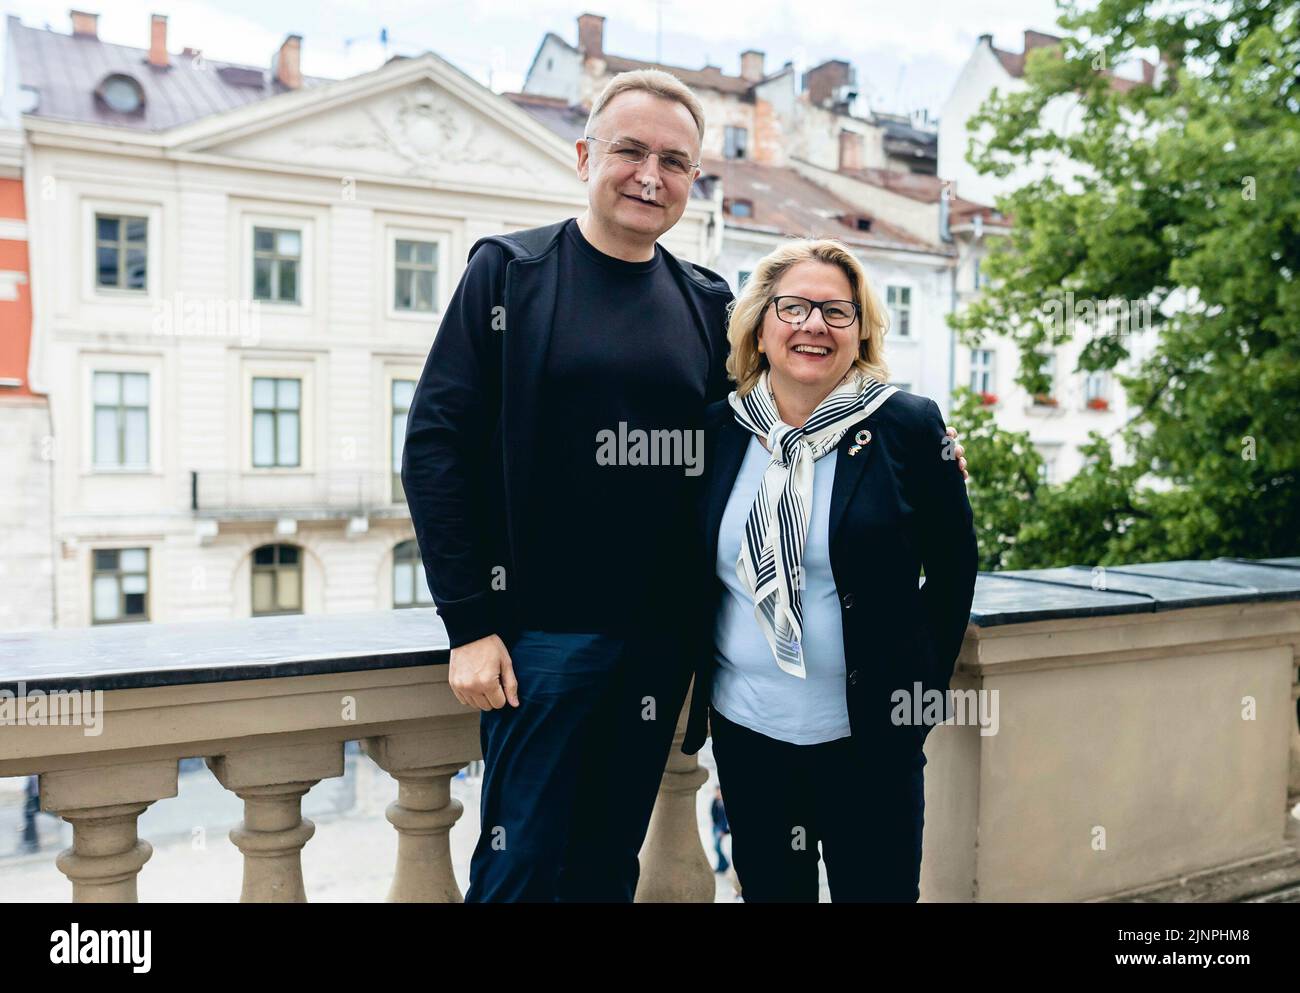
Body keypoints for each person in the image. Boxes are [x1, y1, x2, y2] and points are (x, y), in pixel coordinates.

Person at [403, 68, 971, 903]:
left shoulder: (703, 300)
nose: (650, 175)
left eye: (674, 161)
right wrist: (469, 622)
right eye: (629, 151)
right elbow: (435, 448)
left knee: (605, 862)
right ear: (583, 155)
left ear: (693, 179)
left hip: (661, 646)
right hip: (542, 641)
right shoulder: (510, 274)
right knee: (519, 863)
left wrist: (921, 445)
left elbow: (772, 424)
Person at [681, 239, 979, 902]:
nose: (815, 324)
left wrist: (917, 700)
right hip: (749, 735)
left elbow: (955, 569)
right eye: (795, 307)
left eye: (837, 312)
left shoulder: (906, 425)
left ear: (860, 331)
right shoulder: (714, 432)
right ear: (761, 324)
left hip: (870, 744)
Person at [710, 786, 730, 873]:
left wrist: (725, 831)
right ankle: (722, 866)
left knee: (717, 847)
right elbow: (712, 812)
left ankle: (724, 865)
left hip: (722, 829)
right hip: (716, 827)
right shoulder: (715, 801)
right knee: (716, 847)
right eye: (717, 792)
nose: (718, 794)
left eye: (719, 792)